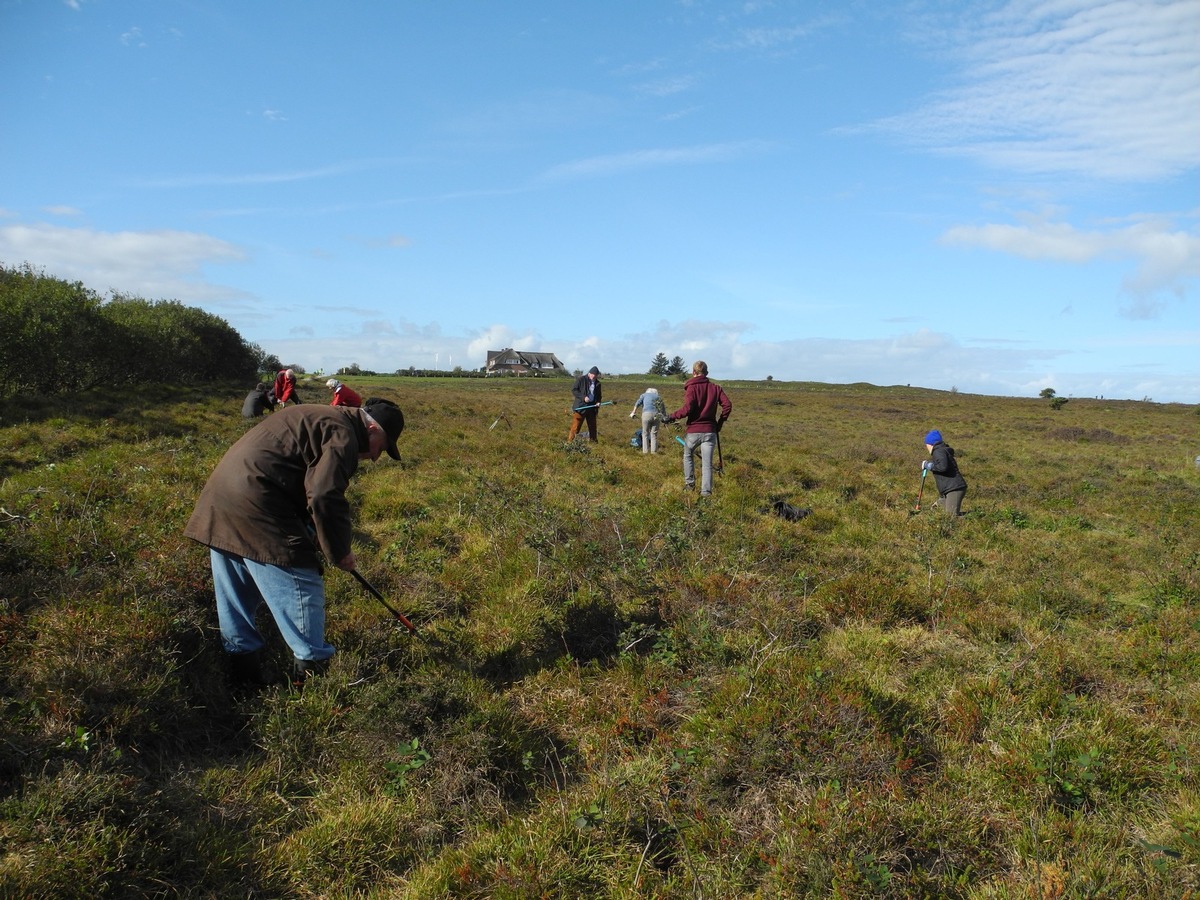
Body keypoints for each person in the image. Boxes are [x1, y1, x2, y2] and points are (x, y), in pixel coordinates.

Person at [184, 397, 405, 687]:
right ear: (373, 429)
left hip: (220, 503)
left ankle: (243, 684)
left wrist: (311, 528)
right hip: (258, 507)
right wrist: (340, 552)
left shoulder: (317, 415)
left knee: (235, 599)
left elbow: (294, 473)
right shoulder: (344, 435)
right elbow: (325, 496)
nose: (376, 457)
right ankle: (311, 684)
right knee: (303, 582)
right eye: (383, 448)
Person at [665, 361, 732, 497]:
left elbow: (688, 409)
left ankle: (690, 485)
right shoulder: (716, 388)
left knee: (688, 455)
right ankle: (706, 493)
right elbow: (727, 405)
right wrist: (719, 423)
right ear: (706, 373)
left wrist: (671, 417)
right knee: (707, 463)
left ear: (693, 372)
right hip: (710, 431)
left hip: (694, 430)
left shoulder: (692, 388)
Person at [922, 429, 968, 516]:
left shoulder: (938, 451)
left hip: (954, 489)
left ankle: (977, 517)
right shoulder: (941, 451)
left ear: (930, 444)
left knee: (951, 517)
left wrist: (929, 466)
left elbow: (943, 467)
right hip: (948, 490)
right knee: (936, 510)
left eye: (926, 444)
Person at [567, 366, 603, 442]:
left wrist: (598, 402)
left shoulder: (598, 383)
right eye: (592, 374)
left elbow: (599, 395)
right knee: (576, 426)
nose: (594, 376)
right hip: (581, 407)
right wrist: (583, 397)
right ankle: (570, 442)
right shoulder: (581, 379)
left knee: (592, 427)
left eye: (595, 375)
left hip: (592, 408)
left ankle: (593, 442)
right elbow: (574, 390)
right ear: (589, 373)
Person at [629, 387, 667, 454]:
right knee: (654, 434)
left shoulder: (644, 395)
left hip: (646, 414)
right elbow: (663, 408)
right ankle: (654, 452)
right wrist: (664, 419)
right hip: (657, 415)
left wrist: (633, 412)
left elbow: (637, 403)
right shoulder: (658, 397)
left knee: (645, 433)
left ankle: (645, 452)